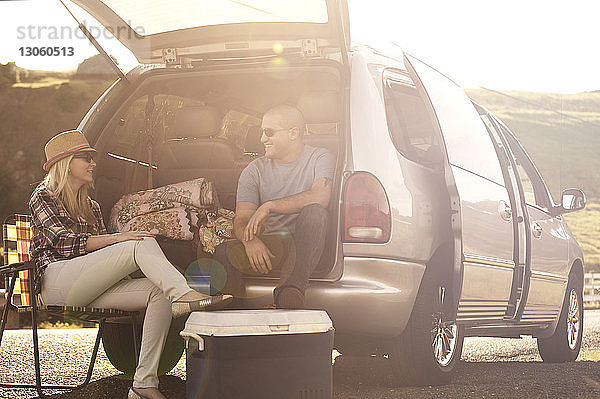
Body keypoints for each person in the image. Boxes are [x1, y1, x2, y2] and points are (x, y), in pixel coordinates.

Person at [29, 130, 232, 399]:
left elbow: (106, 253)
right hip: (56, 282)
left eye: (92, 158)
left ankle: (144, 383)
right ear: (66, 164)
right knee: (138, 242)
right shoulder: (43, 196)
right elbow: (62, 241)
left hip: (91, 285)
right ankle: (182, 294)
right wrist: (120, 238)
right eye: (86, 158)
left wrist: (122, 247)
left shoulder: (91, 206)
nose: (93, 163)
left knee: (157, 291)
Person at [211, 105, 335, 308]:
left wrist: (269, 206)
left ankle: (290, 294)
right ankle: (228, 317)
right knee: (223, 251)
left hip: (309, 244)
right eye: (261, 132)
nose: (262, 139)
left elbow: (321, 196)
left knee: (315, 213)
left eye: (269, 132)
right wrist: (249, 240)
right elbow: (242, 218)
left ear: (293, 133)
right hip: (273, 246)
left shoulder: (319, 157)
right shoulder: (254, 170)